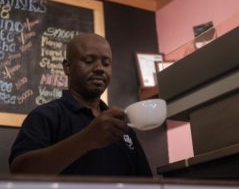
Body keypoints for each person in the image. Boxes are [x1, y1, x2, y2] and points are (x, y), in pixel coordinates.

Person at [9, 33, 152, 176]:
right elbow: (20, 172)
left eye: (106, 63)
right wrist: (88, 138)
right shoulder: (45, 116)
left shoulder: (120, 124)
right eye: (89, 60)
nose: (99, 68)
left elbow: (147, 181)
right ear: (67, 67)